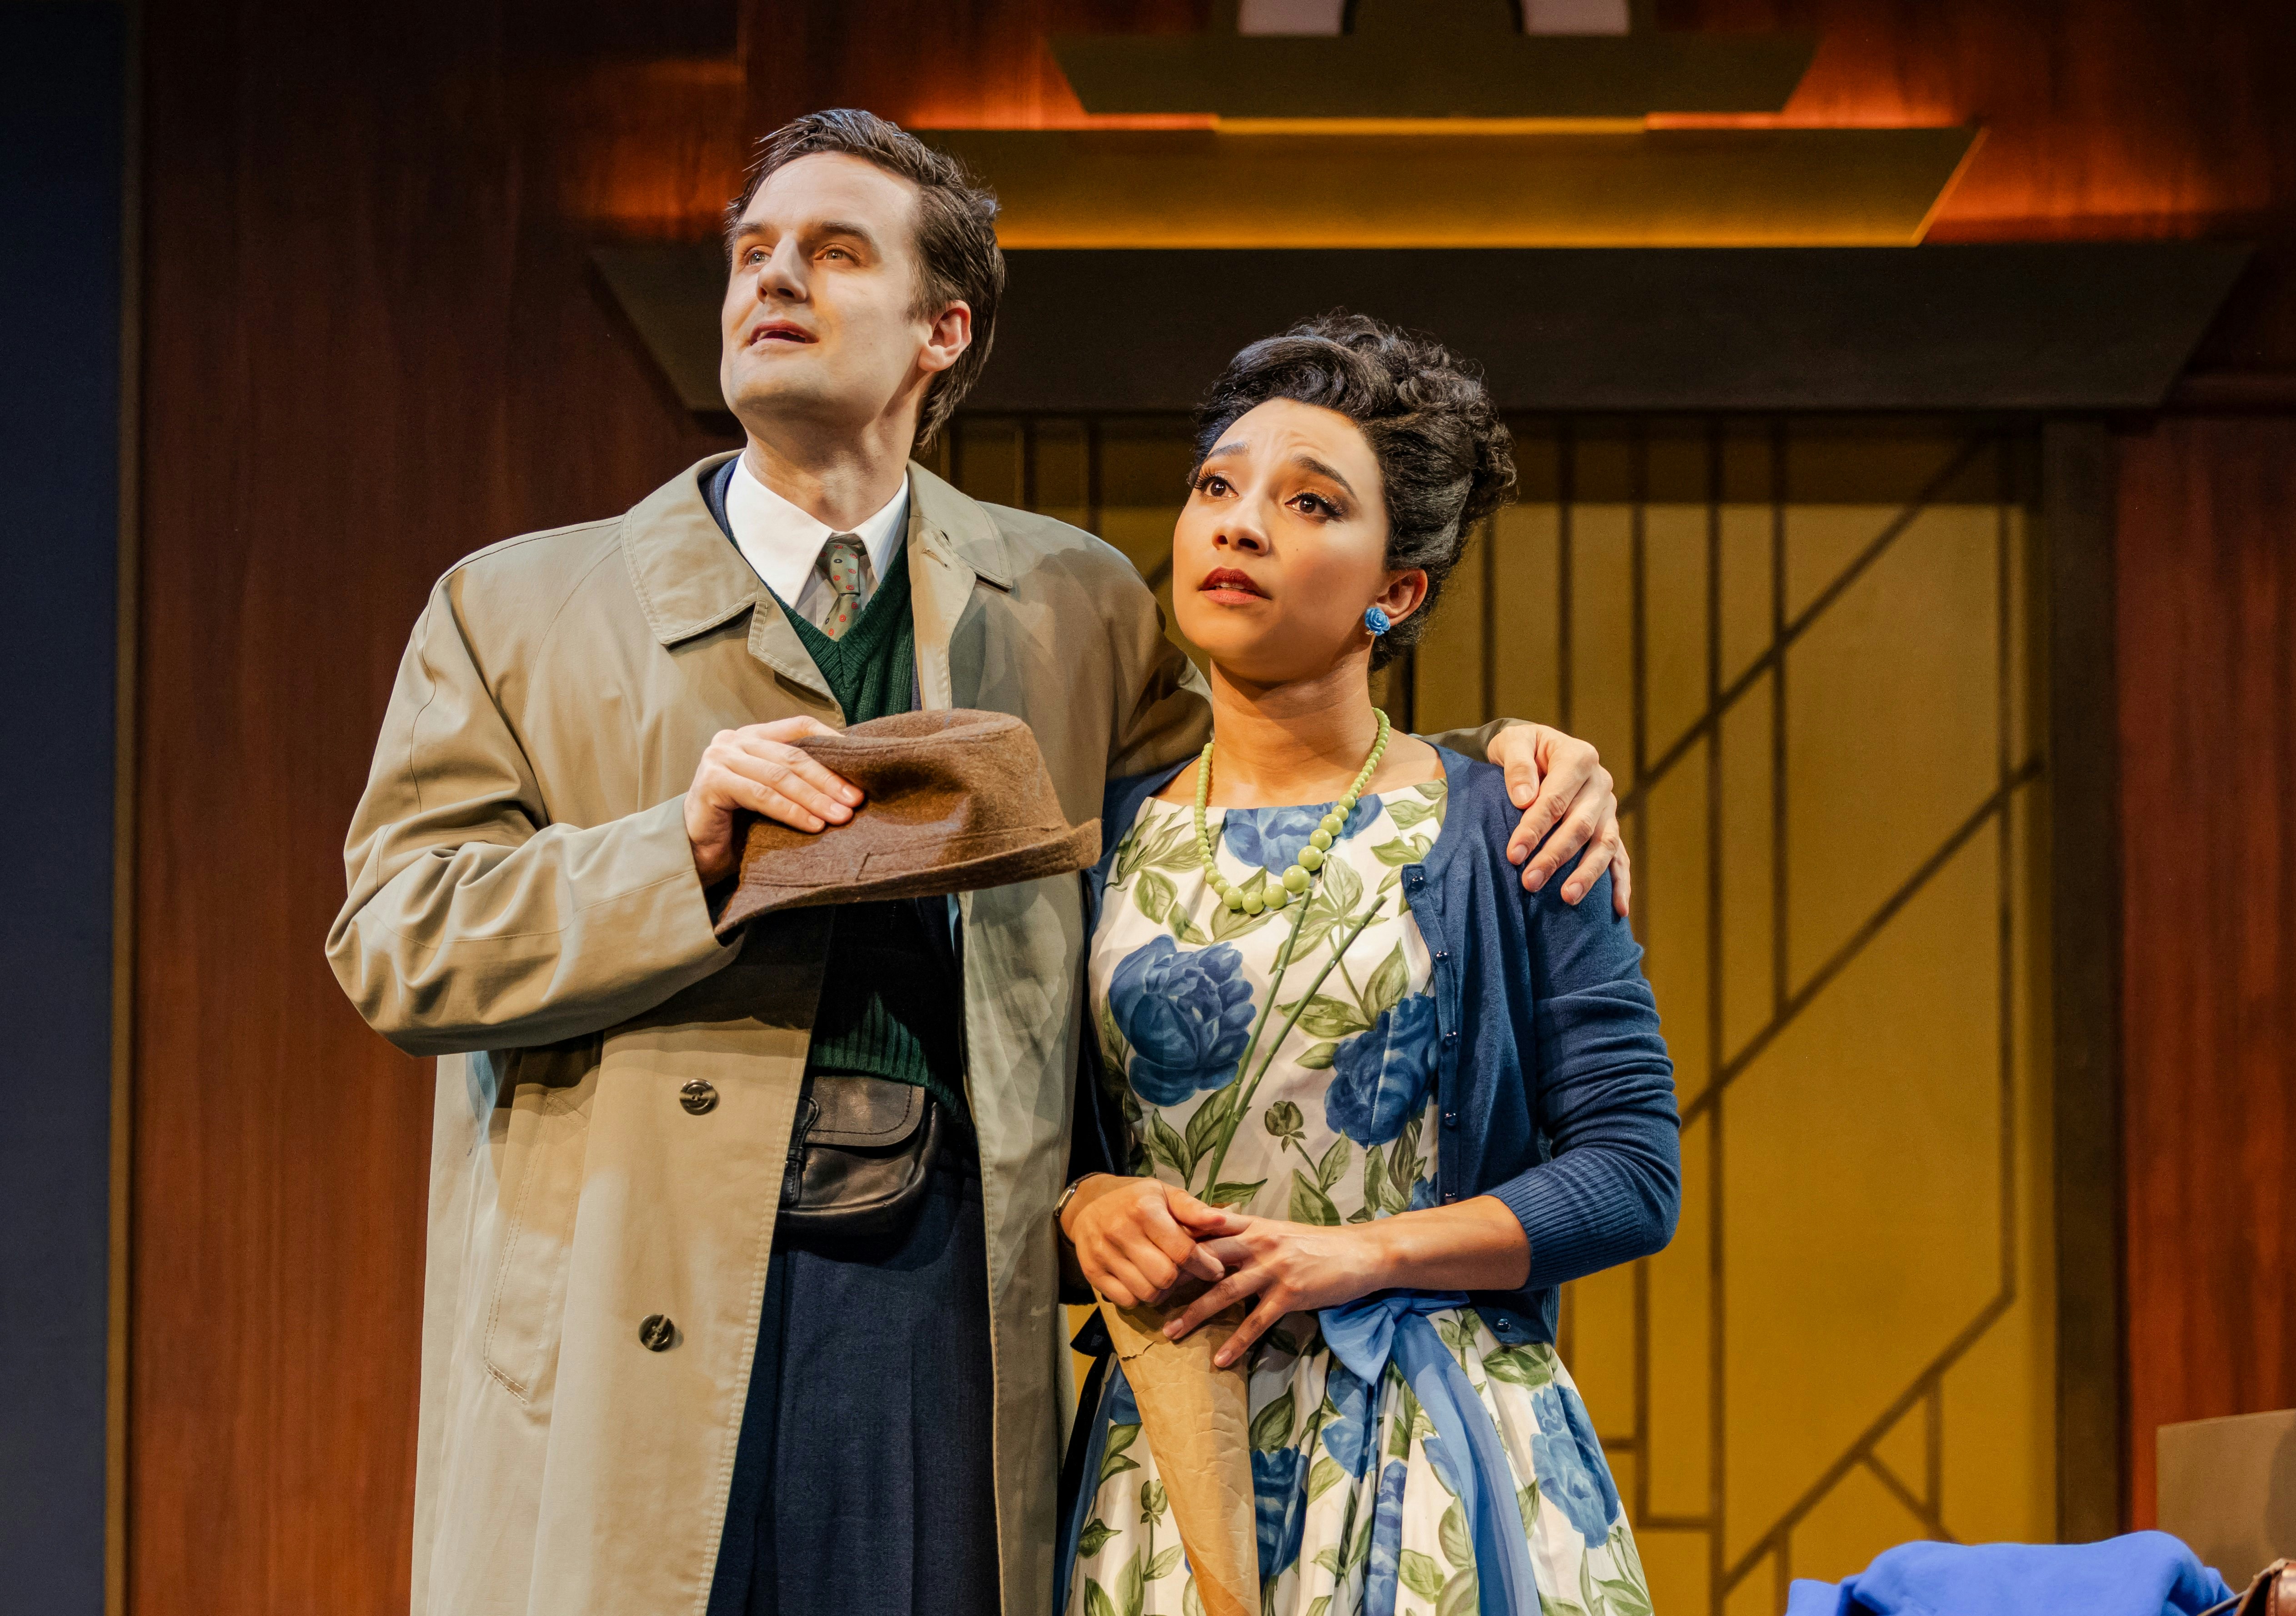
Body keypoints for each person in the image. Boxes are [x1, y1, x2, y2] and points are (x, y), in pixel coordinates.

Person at [326, 112, 1631, 1616]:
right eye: (752, 251)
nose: (774, 280)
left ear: (944, 328)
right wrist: (674, 852)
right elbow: (395, 938)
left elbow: (1256, 772)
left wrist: (1495, 761)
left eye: (832, 252)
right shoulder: (518, 608)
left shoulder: (1070, 601)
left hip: (939, 1291)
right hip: (639, 1288)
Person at [1056, 316, 1680, 1616]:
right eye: (1217, 487)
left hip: (1435, 1433)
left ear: (1399, 589)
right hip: (1173, 1446)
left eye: (1310, 502)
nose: (1238, 525)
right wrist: (1084, 1207)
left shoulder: (1509, 819)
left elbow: (1632, 1172)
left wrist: (1371, 1253)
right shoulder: (1097, 837)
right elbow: (1022, 1149)